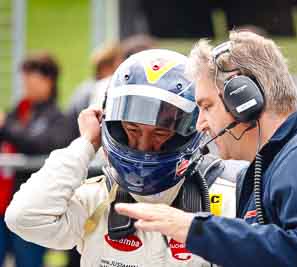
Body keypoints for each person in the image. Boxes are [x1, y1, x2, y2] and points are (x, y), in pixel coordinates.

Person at [111, 31, 297, 267]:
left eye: (206, 106)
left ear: (243, 99)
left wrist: (194, 230)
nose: (201, 123)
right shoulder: (265, 168)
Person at [5, 49, 237, 267]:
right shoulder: (95, 198)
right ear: (111, 124)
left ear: (190, 131)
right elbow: (22, 218)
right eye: (133, 129)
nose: (143, 145)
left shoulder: (226, 198)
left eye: (160, 132)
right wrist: (86, 144)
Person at [0, 52, 70, 267]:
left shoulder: (58, 119)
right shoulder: (18, 112)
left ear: (48, 81)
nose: (27, 85)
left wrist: (5, 127)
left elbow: (38, 145)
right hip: (3, 204)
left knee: (28, 262)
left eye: (32, 79)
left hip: (30, 208)